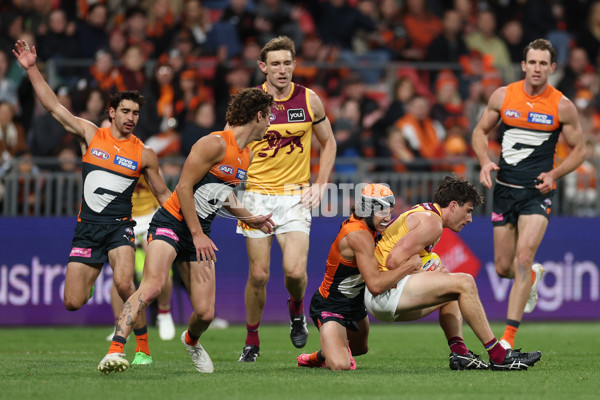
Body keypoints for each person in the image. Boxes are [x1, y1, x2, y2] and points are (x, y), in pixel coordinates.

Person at [12, 40, 171, 365]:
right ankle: (125, 321)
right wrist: (31, 69)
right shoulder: (90, 134)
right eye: (125, 111)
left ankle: (140, 346)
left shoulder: (144, 153)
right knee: (73, 301)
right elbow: (54, 106)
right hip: (87, 230)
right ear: (112, 112)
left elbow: (164, 195)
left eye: (136, 113)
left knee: (126, 282)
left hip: (119, 229)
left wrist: (189, 226)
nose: (130, 117)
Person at [98, 88, 276, 374]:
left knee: (205, 313)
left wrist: (250, 218)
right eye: (269, 117)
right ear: (258, 115)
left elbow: (224, 195)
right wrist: (196, 234)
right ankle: (115, 349)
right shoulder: (215, 143)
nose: (270, 123)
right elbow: (183, 187)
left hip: (198, 233)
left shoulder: (247, 156)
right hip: (171, 223)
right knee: (152, 285)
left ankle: (191, 340)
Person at [472, 38, 585, 349]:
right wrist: (484, 160)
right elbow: (479, 132)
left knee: (523, 258)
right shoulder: (503, 96)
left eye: (543, 63)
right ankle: (532, 278)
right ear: (523, 65)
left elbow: (580, 150)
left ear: (552, 67)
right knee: (503, 267)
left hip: (536, 194)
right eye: (532, 62)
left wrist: (554, 174)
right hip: (504, 191)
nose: (537, 68)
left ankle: (507, 340)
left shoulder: (562, 105)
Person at [364, 176, 542, 371]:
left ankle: (460, 353)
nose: (470, 219)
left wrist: (432, 273)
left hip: (381, 295)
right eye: (468, 211)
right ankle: (499, 355)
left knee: (452, 290)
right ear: (454, 205)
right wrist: (426, 270)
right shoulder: (433, 223)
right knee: (464, 282)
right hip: (385, 291)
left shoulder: (426, 213)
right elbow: (394, 261)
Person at [236, 36, 336, 362]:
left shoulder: (309, 100)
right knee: (260, 275)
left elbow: (329, 143)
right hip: (256, 195)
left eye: (287, 63)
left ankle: (296, 311)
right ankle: (252, 339)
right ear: (262, 67)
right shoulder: (250, 102)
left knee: (294, 272)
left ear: (294, 64)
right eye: (275, 64)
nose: (282, 69)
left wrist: (321, 183)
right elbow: (228, 142)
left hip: (295, 195)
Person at [297, 184, 421, 370]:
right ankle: (316, 356)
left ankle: (326, 353)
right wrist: (409, 266)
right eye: (382, 212)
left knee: (360, 349)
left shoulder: (368, 224)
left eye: (389, 212)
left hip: (354, 305)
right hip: (330, 306)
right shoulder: (358, 235)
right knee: (341, 365)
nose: (387, 218)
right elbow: (376, 286)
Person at [106, 175, 176, 342]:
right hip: (124, 218)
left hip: (149, 218)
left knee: (159, 269)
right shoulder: (115, 163)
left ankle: (164, 313)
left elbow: (161, 189)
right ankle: (120, 323)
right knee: (120, 276)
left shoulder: (145, 157)